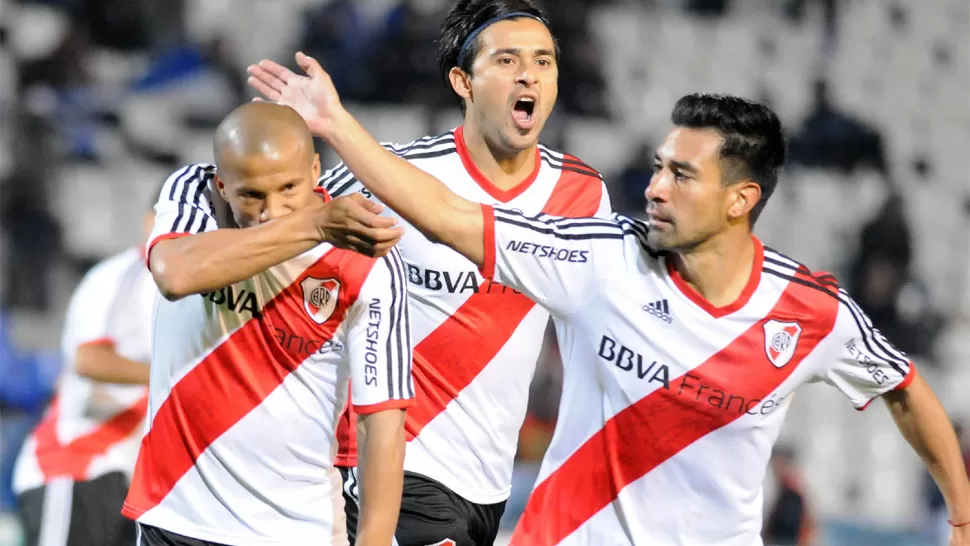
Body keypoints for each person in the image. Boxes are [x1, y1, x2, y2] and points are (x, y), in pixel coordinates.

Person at [246, 56, 970, 545]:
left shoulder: (811, 312)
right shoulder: (598, 256)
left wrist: (962, 517)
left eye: (681, 175)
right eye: (658, 167)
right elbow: (450, 215)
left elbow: (903, 387)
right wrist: (337, 126)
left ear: (740, 200)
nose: (653, 187)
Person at [248, 2, 611, 545]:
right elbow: (280, 237)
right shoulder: (394, 175)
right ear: (463, 81)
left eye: (543, 61)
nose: (529, 74)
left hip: (489, 482)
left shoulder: (584, 196)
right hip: (394, 465)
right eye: (508, 60)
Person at [120, 102, 412, 546]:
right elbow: (175, 275)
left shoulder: (365, 260)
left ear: (316, 170)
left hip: (294, 529)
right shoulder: (194, 193)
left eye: (289, 187)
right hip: (176, 516)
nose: (272, 211)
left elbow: (381, 423)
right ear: (222, 184)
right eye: (251, 195)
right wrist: (311, 224)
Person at [11, 200, 157, 546]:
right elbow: (89, 359)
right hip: (77, 468)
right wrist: (173, 376)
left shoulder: (205, 295)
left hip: (134, 482)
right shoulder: (125, 274)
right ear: (152, 219)